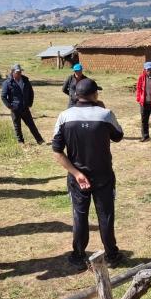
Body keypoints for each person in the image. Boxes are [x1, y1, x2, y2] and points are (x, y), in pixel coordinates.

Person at [52, 78, 125, 269]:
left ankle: (78, 256)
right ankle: (111, 255)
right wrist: (103, 109)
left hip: (77, 178)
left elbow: (57, 152)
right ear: (94, 94)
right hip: (103, 176)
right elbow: (118, 136)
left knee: (79, 215)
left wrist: (76, 173)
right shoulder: (105, 114)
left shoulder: (64, 116)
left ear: (76, 95)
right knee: (106, 215)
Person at [0, 63, 45, 144]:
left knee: (31, 124)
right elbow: (3, 96)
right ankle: (21, 142)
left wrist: (30, 103)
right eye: (17, 72)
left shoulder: (25, 80)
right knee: (17, 126)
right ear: (13, 72)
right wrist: (10, 106)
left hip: (25, 107)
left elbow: (31, 92)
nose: (19, 73)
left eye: (20, 72)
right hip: (15, 109)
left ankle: (40, 140)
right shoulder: (7, 83)